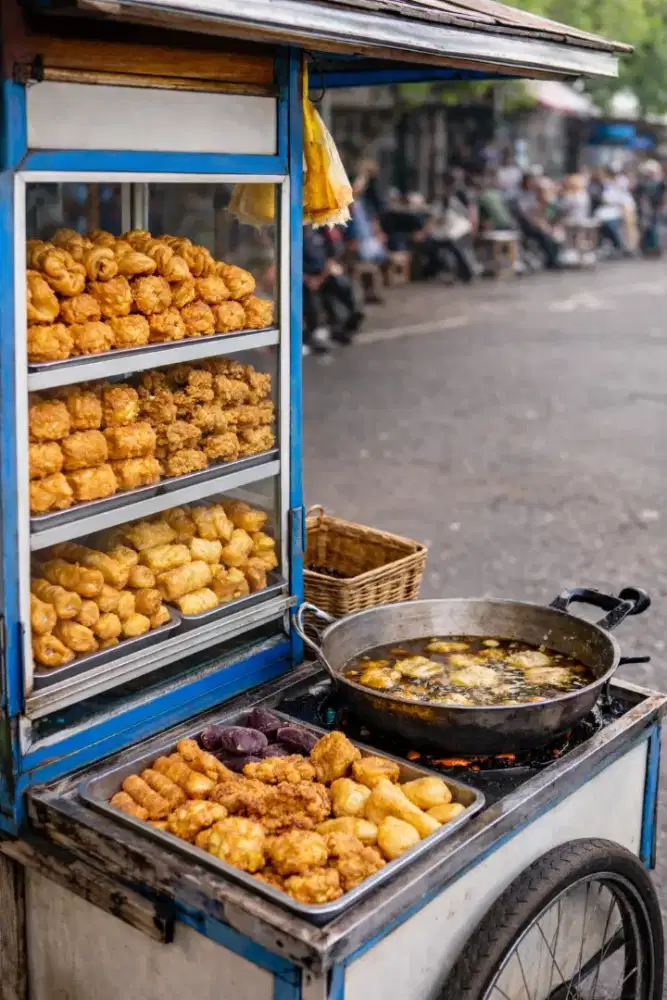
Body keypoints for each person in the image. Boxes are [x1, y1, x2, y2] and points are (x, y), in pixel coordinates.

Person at [302, 225, 363, 352]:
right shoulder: (291, 234)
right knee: (308, 296)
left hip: (323, 273)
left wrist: (321, 277)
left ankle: (344, 323)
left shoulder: (320, 230)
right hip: (302, 277)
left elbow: (332, 256)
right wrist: (307, 279)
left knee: (342, 283)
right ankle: (312, 333)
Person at [512, 173, 560, 269]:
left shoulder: (534, 195)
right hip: (526, 226)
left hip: (538, 222)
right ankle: (551, 261)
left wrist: (544, 224)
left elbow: (540, 212)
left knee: (552, 235)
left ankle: (554, 259)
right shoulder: (521, 196)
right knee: (544, 236)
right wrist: (540, 224)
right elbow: (527, 215)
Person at [634, 159, 665, 256]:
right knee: (648, 227)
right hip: (646, 208)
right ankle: (648, 247)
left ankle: (655, 247)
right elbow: (639, 194)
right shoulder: (643, 182)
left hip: (655, 207)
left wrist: (663, 205)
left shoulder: (659, 182)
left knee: (655, 227)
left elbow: (663, 194)